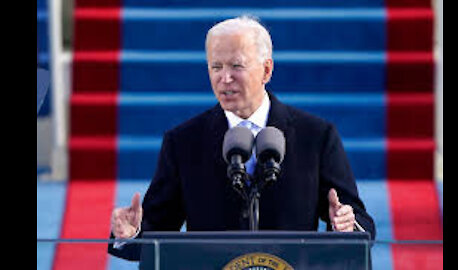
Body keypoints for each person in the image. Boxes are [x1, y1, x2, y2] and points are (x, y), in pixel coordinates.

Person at [108, 15, 375, 261]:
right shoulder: (183, 142)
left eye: (236, 66)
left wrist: (346, 224)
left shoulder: (315, 136)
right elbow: (156, 231)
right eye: (216, 66)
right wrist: (130, 233)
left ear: (266, 70)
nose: (225, 78)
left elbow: (359, 221)